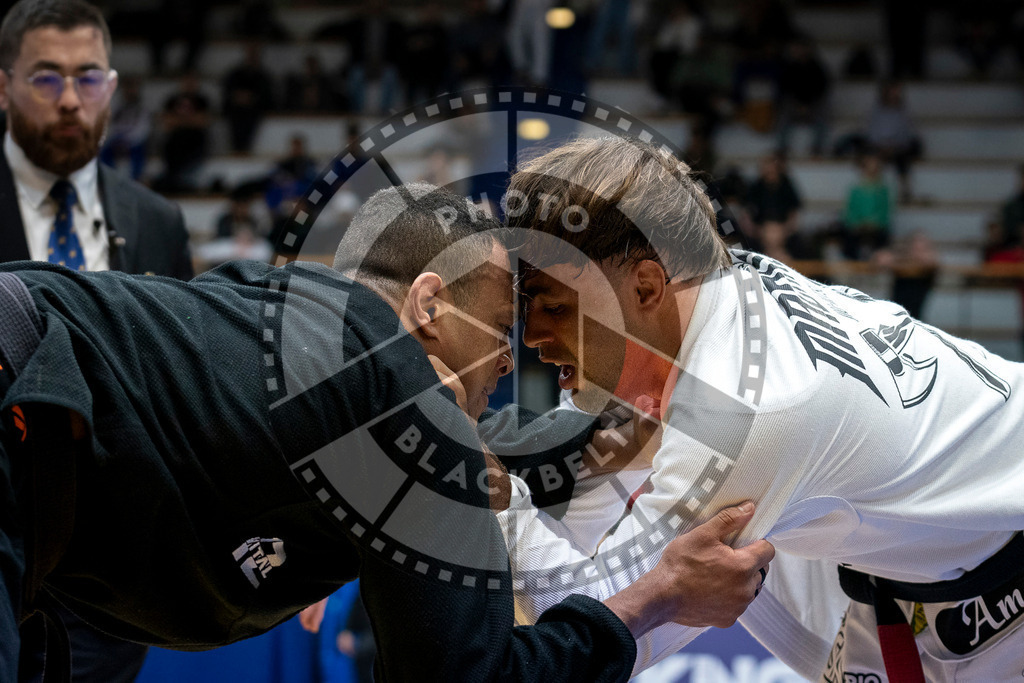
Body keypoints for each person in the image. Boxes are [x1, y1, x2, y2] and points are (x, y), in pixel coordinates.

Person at [0, 181, 774, 682]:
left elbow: (504, 439)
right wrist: (656, 597)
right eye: (505, 327)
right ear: (430, 306)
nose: (512, 358)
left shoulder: (276, 307)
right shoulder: (402, 396)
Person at [494, 135, 1024, 681]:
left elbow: (598, 621)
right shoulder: (730, 284)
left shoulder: (742, 410)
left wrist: (492, 498)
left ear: (648, 287)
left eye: (555, 306)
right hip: (928, 559)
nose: (530, 334)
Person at [0, 2, 194, 679]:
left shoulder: (156, 222)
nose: (70, 101)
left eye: (89, 78)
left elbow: (182, 396)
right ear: (4, 86)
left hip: (111, 587)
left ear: (111, 87)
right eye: (46, 79)